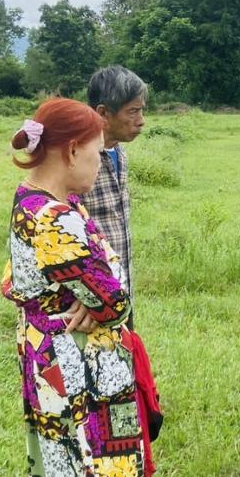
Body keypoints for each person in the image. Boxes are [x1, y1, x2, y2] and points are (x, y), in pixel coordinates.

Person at [1, 98, 152, 477]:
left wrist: (89, 292)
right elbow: (113, 293)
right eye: (96, 153)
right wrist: (103, 298)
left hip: (57, 369)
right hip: (74, 375)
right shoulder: (56, 217)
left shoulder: (35, 202)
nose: (100, 162)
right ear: (71, 151)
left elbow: (30, 279)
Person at [85, 66, 147, 313]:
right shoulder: (78, 159)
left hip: (120, 287)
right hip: (90, 296)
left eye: (141, 110)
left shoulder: (119, 150)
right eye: (132, 111)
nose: (141, 120)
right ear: (103, 113)